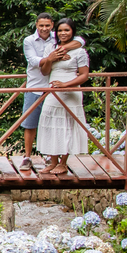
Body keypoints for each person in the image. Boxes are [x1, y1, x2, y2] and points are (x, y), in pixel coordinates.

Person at [20, 13, 84, 171]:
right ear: (36, 25)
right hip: (36, 85)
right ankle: (28, 157)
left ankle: (56, 161)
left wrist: (61, 49)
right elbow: (34, 61)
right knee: (32, 123)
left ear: (52, 25)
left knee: (61, 124)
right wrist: (51, 57)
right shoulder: (30, 41)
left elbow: (81, 40)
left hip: (60, 88)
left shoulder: (57, 38)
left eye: (47, 26)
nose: (44, 28)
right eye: (41, 25)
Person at [36, 18, 91, 175]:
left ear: (72, 31)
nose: (63, 33)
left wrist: (66, 85)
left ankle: (63, 163)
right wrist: (51, 59)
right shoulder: (50, 48)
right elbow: (45, 72)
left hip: (70, 90)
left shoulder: (79, 52)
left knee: (67, 126)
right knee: (50, 122)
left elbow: (84, 75)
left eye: (66, 30)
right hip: (53, 90)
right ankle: (53, 162)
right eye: (60, 30)